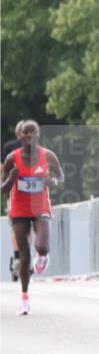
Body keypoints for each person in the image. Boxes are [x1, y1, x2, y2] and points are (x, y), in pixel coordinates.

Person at [1, 120, 64, 315]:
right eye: (25, 134)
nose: (29, 137)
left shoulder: (48, 156)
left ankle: (43, 256)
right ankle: (25, 298)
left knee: (42, 247)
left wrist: (53, 181)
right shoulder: (12, 158)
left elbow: (61, 177)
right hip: (19, 208)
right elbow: (3, 189)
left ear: (38, 135)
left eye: (33, 133)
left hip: (40, 207)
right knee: (24, 255)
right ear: (19, 136)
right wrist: (11, 179)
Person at [2, 120, 24, 281]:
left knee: (15, 226)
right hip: (34, 195)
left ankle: (17, 257)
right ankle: (23, 256)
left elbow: (2, 168)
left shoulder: (9, 147)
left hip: (14, 193)